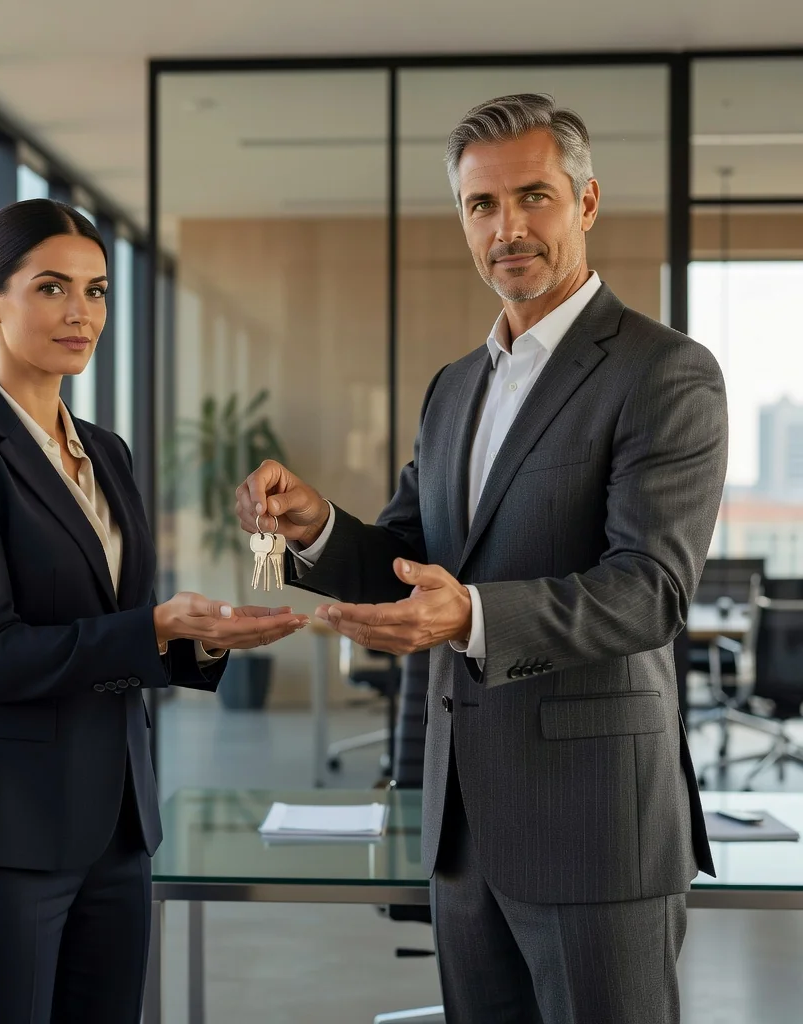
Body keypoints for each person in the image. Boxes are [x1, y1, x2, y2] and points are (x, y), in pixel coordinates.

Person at [237, 94, 727, 1024]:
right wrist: (313, 527)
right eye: (481, 205)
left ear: (585, 204)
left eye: (533, 197)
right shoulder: (454, 387)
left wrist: (471, 617)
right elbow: (410, 558)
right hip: (463, 830)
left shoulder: (665, 372)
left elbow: (650, 591)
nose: (508, 228)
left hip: (596, 833)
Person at [0, 199, 308, 1024]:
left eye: (97, 290)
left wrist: (199, 637)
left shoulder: (106, 453)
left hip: (116, 833)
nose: (82, 312)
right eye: (52, 287)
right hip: (0, 839)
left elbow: (111, 623)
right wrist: (156, 626)